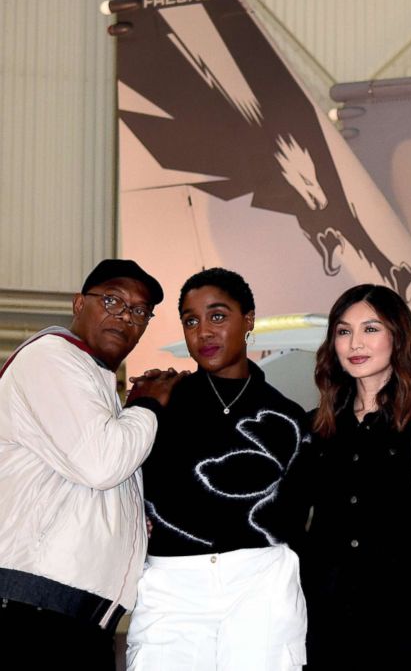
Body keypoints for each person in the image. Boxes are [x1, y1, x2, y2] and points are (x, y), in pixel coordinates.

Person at [126, 267, 312, 670]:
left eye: (217, 315)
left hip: (261, 583)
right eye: (191, 321)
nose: (204, 332)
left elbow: (298, 518)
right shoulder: (157, 404)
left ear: (248, 320)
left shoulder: (288, 418)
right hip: (170, 585)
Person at [0, 258, 181, 670]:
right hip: (33, 610)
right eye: (113, 300)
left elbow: (94, 479)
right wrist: (148, 403)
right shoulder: (51, 357)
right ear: (79, 303)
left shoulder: (93, 381)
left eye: (139, 311)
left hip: (70, 613)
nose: (125, 317)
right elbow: (101, 464)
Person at [300, 284, 411, 670]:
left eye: (371, 329)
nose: (355, 343)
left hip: (403, 620)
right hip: (325, 619)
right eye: (343, 331)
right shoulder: (313, 429)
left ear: (398, 337)